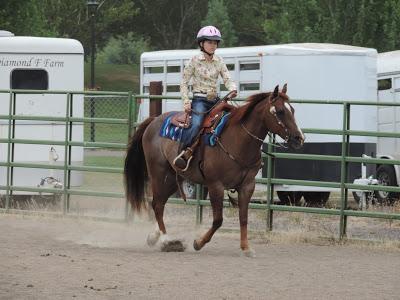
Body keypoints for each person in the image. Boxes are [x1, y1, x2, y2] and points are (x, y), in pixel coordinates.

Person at [173, 25, 238, 170]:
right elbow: (183, 82)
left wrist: (232, 88)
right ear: (201, 43)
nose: (213, 45)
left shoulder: (219, 61)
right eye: (209, 42)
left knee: (235, 119)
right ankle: (184, 153)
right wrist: (186, 101)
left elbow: (227, 78)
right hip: (200, 101)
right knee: (196, 124)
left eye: (215, 42)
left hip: (216, 100)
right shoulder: (194, 61)